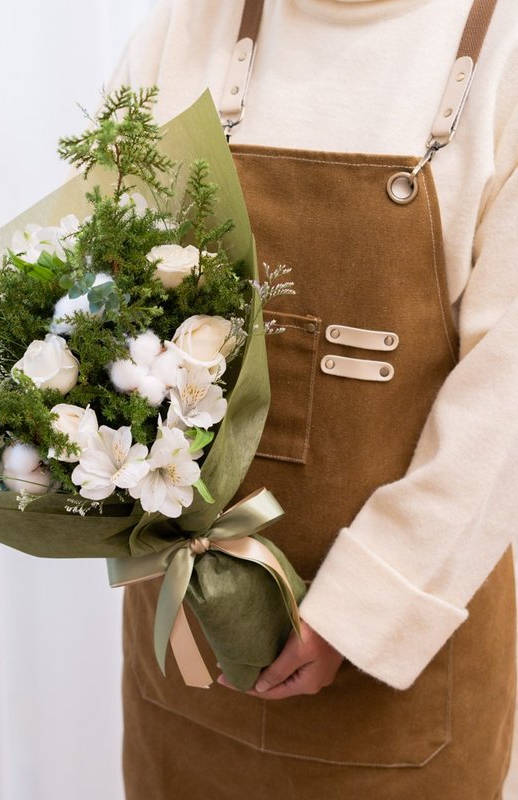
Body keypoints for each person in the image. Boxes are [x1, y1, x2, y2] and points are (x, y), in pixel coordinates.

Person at [108, 0, 518, 797]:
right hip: (189, 658)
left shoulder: (503, 50)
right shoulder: (186, 29)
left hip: (391, 682)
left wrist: (364, 608)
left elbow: (506, 402)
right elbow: (97, 294)